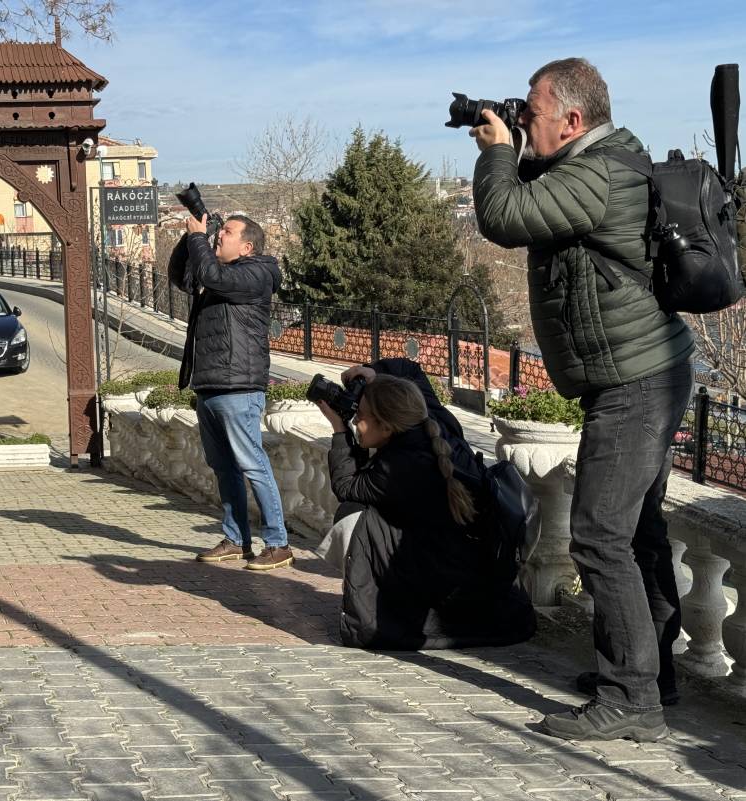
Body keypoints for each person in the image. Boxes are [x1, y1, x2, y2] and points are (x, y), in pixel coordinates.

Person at [470, 58, 695, 741]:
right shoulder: (599, 162)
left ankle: (632, 697)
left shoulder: (596, 173)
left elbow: (505, 215)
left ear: (572, 120)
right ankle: (650, 674)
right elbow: (538, 192)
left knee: (598, 534)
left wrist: (498, 155)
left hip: (636, 381)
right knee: (639, 532)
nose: (525, 123)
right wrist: (514, 137)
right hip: (643, 371)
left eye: (534, 113)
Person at [317, 358, 536, 650]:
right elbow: (411, 370)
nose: (356, 420)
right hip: (475, 564)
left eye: (362, 416)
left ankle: (396, 606)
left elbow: (346, 487)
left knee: (356, 517)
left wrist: (338, 429)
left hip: (452, 579)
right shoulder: (435, 421)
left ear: (386, 427)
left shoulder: (400, 465)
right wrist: (371, 373)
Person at [168, 213, 293, 570]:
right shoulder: (219, 275)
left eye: (227, 232)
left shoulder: (256, 274)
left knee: (252, 464)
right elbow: (183, 275)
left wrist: (199, 239)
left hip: (239, 386)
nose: (220, 236)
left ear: (248, 246)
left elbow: (211, 275)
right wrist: (192, 235)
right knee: (224, 467)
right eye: (220, 231)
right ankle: (237, 539)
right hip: (210, 383)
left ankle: (278, 543)